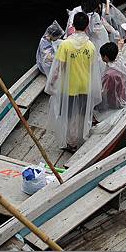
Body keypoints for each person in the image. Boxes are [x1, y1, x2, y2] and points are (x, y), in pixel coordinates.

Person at [45, 12, 102, 151]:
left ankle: (71, 143)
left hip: (69, 86)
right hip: (85, 85)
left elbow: (58, 68)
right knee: (81, 114)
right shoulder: (91, 46)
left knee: (69, 115)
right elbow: (94, 68)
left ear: (73, 25)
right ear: (87, 26)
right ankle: (80, 138)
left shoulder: (65, 45)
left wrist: (51, 84)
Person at [94, 42, 126, 119]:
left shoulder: (109, 74)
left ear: (105, 57)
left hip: (114, 100)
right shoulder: (119, 62)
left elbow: (104, 92)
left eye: (101, 55)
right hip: (123, 94)